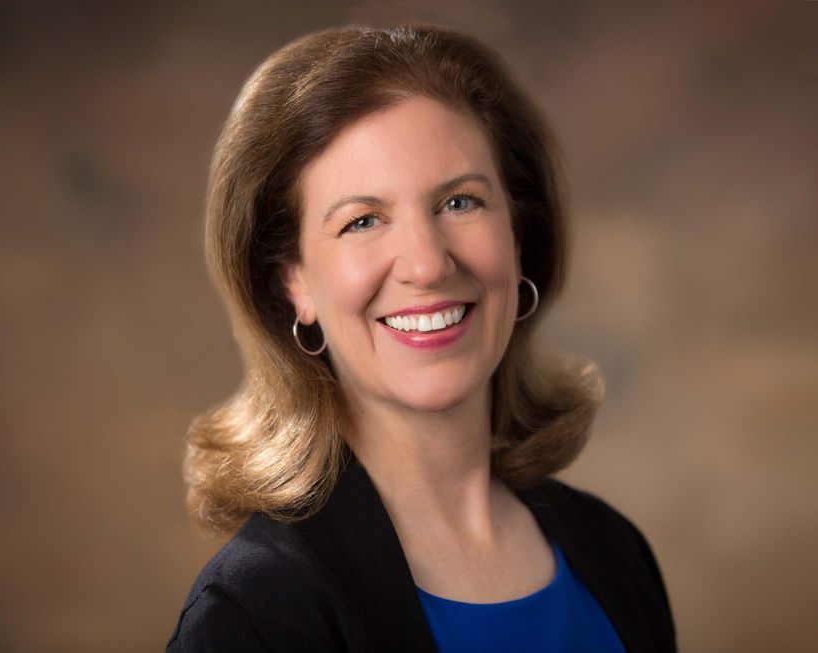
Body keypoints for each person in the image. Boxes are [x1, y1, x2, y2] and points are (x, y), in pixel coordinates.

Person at [167, 25, 675, 653]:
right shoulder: (258, 611)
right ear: (292, 282)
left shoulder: (613, 550)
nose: (427, 264)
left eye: (460, 203)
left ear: (520, 238)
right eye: (362, 221)